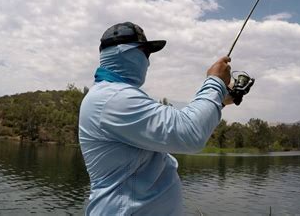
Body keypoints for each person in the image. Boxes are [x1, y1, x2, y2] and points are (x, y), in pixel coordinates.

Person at [79, 22, 233, 215]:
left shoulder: (114, 96)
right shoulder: (113, 99)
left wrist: (219, 101)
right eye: (146, 53)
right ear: (124, 52)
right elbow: (189, 133)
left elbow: (178, 128)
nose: (148, 62)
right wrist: (215, 82)